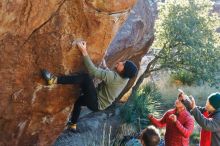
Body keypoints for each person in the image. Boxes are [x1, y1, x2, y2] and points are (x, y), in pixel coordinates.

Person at [41, 41, 138, 132]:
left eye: (123, 64)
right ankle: (73, 124)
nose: (121, 62)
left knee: (85, 78)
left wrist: (84, 50)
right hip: (99, 105)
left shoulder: (114, 77)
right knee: (79, 102)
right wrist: (104, 66)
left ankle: (54, 80)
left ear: (124, 71)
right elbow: (111, 77)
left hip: (96, 102)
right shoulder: (125, 78)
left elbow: (93, 71)